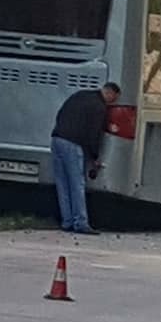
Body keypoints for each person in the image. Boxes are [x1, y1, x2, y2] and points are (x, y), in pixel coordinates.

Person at [51, 82, 121, 234]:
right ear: (110, 94)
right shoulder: (99, 106)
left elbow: (60, 113)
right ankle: (81, 222)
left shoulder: (80, 95)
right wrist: (94, 156)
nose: (112, 103)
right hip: (72, 144)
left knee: (62, 183)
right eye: (113, 100)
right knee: (77, 184)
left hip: (57, 139)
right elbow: (93, 133)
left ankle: (67, 221)